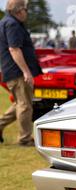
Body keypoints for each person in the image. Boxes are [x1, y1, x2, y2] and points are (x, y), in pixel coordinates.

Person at [0, 0, 42, 146]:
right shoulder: (12, 24)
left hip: (12, 71)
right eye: (25, 9)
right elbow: (14, 49)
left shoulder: (6, 21)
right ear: (18, 10)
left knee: (20, 103)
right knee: (25, 105)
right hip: (17, 72)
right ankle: (24, 138)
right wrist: (26, 72)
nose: (27, 12)